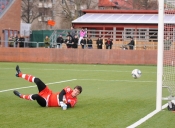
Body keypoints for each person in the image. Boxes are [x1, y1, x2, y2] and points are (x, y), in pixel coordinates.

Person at [13, 65, 82, 110]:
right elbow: (61, 93)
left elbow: (69, 105)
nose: (76, 92)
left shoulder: (74, 100)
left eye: (77, 92)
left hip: (46, 102)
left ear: (78, 94)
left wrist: (65, 105)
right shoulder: (69, 89)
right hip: (48, 93)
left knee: (36, 96)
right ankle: (19, 74)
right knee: (38, 80)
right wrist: (61, 101)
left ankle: (21, 96)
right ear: (74, 89)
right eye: (75, 90)